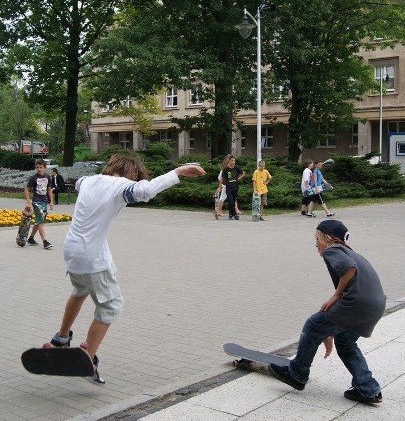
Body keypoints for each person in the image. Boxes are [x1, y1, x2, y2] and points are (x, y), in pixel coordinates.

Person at [46, 153, 205, 383]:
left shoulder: (88, 181)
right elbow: (146, 191)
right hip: (92, 258)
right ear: (130, 173)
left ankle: (61, 338)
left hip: (72, 251)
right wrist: (177, 172)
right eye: (134, 176)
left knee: (80, 291)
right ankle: (86, 358)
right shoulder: (120, 185)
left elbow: (77, 183)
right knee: (110, 307)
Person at [267, 220, 385, 404]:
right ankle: (368, 388)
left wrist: (335, 296)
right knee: (346, 343)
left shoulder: (333, 250)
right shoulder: (351, 252)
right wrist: (330, 327)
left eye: (317, 239)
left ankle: (297, 373)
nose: (316, 245)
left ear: (328, 238)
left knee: (313, 325)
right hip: (374, 306)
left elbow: (349, 269)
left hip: (355, 305)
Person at [23, 159, 54, 249]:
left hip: (44, 202)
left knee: (39, 221)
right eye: (37, 167)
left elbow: (49, 190)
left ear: (44, 168)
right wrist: (29, 202)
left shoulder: (47, 177)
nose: (39, 169)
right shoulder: (33, 178)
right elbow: (26, 189)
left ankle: (31, 238)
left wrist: (51, 202)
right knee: (40, 221)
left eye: (41, 167)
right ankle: (45, 241)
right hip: (36, 202)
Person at [220, 155, 245, 220]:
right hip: (228, 187)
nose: (233, 162)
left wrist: (238, 178)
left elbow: (243, 173)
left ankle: (230, 214)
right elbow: (222, 178)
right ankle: (235, 215)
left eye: (234, 161)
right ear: (229, 161)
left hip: (235, 187)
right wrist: (220, 187)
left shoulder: (236, 168)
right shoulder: (226, 169)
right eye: (232, 161)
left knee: (233, 201)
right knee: (231, 201)